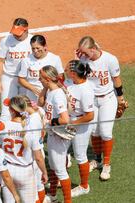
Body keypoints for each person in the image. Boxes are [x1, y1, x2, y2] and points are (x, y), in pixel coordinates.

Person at [76, 36, 128, 181]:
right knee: (94, 131)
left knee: (105, 132)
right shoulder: (83, 60)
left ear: (93, 49)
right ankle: (97, 159)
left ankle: (106, 164)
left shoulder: (110, 59)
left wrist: (120, 99)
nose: (84, 56)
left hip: (107, 99)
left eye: (86, 53)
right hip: (91, 100)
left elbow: (116, 79)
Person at [0, 96, 47, 203]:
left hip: (7, 169)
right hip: (25, 171)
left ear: (11, 110)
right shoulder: (30, 128)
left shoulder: (2, 126)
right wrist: (44, 172)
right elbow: (38, 158)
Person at [38, 65, 71, 203]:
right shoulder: (50, 91)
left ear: (47, 79)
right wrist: (45, 87)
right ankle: (52, 195)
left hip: (59, 136)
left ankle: (68, 201)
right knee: (52, 166)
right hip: (53, 134)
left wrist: (49, 121)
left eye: (41, 77)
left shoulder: (58, 95)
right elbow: (40, 103)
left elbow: (64, 119)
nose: (39, 79)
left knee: (60, 170)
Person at [64, 60, 95, 197]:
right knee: (62, 150)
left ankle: (84, 186)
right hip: (69, 121)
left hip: (81, 124)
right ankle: (61, 179)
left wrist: (74, 123)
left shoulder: (86, 90)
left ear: (74, 74)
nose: (66, 70)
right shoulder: (71, 82)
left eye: (69, 69)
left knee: (80, 156)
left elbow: (90, 115)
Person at [0, 18, 32, 122]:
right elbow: (0, 61)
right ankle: (1, 138)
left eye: (19, 33)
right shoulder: (6, 40)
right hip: (8, 78)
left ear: (26, 29)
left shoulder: (33, 41)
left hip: (26, 79)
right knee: (6, 111)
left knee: (25, 110)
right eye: (14, 32)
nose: (15, 35)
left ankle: (22, 136)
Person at [18, 34, 64, 102]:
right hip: (32, 95)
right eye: (33, 48)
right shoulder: (26, 60)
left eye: (38, 48)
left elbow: (61, 77)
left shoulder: (55, 59)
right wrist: (32, 88)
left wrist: (52, 88)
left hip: (50, 94)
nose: (35, 51)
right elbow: (21, 79)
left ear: (45, 46)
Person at [20, 95, 49, 203]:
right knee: (39, 185)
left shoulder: (31, 120)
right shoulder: (39, 112)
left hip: (35, 154)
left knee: (35, 188)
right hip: (37, 150)